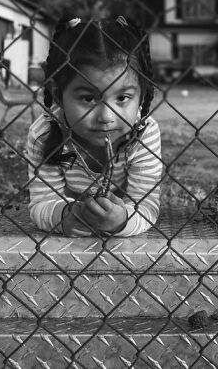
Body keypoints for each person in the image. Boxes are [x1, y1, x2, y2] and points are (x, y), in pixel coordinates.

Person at [26, 15, 161, 237]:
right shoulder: (44, 133)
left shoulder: (144, 133)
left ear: (142, 94)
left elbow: (146, 205)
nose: (106, 117)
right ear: (59, 95)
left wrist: (122, 220)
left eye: (123, 98)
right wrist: (65, 216)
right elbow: (42, 203)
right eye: (89, 98)